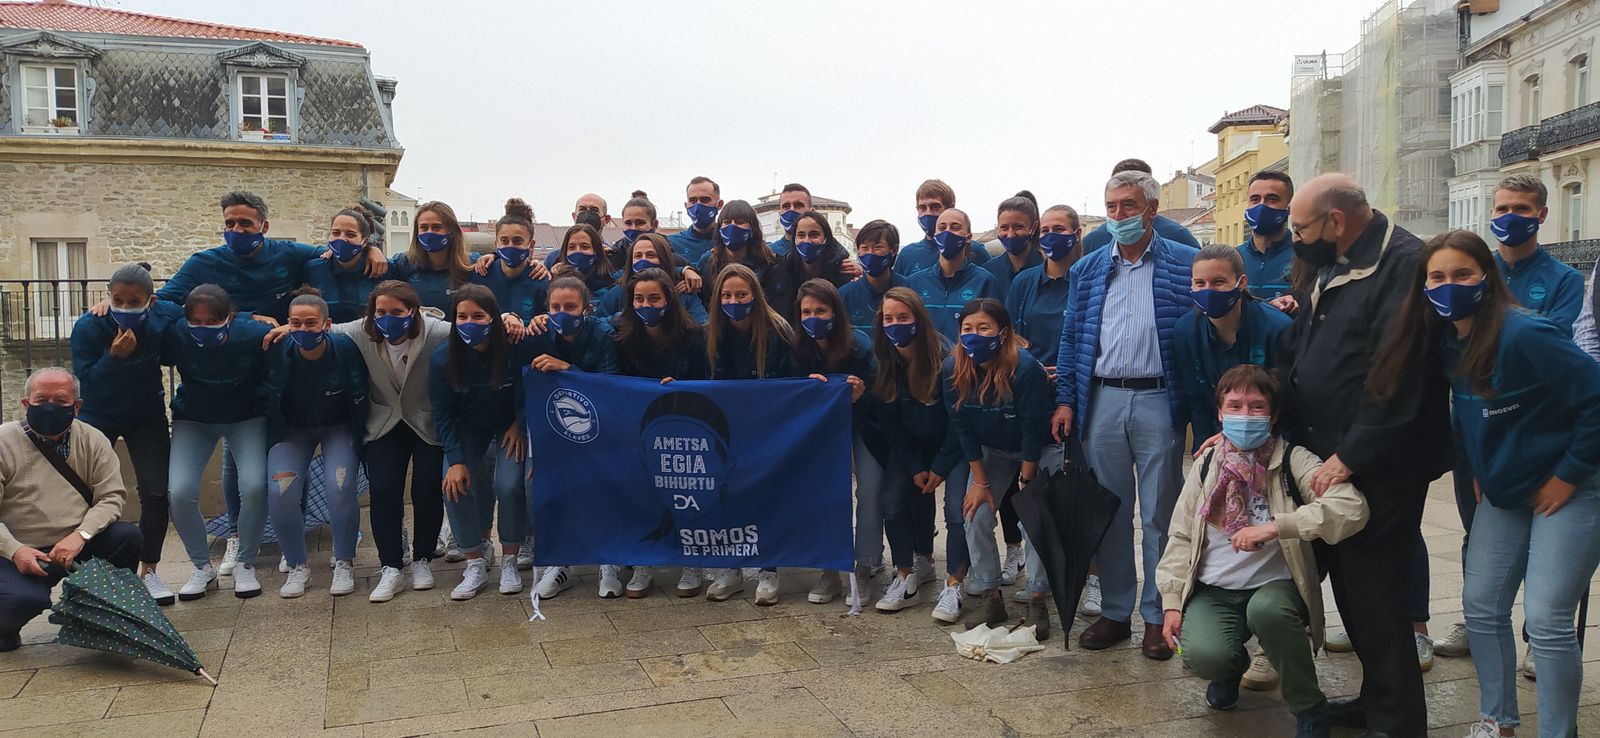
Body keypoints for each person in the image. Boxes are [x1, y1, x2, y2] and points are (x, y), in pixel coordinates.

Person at [1367, 229, 1600, 738]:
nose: (1450, 285)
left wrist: (1567, 476)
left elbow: (1595, 401)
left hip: (1571, 488)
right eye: (1438, 277)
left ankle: (1560, 732)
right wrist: (1474, 469)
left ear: (1487, 278)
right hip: (1503, 493)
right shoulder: (1448, 342)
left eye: (1462, 274)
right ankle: (1498, 720)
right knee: (1481, 606)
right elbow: (1464, 418)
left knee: (1547, 620)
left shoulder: (1527, 334)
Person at [1277, 173, 1451, 738]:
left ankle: (1397, 722)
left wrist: (1350, 455)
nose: (1293, 237)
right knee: (1353, 590)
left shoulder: (1402, 263)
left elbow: (1397, 373)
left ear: (1336, 221)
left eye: (1300, 227)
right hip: (1329, 452)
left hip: (1378, 461)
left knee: (1378, 596)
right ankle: (1376, 699)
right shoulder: (1336, 258)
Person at [1156, 365, 1369, 738]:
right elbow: (1180, 534)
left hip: (1277, 587)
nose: (1244, 415)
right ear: (1220, 413)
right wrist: (1172, 600)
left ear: (1273, 416)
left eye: (1256, 407)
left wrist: (1277, 526)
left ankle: (1309, 706)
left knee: (1268, 611)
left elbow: (1352, 508)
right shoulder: (1207, 462)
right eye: (1235, 405)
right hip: (1216, 589)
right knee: (1202, 655)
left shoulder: (1293, 460)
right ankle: (1229, 668)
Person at [1433, 174, 1587, 667]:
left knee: (1548, 550)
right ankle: (1480, 616)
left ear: (1541, 215)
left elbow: (1547, 348)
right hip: (1478, 428)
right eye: (1501, 208)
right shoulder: (1473, 271)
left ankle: (1534, 636)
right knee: (1477, 530)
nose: (1508, 218)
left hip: (1535, 426)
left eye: (1520, 209)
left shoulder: (1562, 279)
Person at [1051, 169, 1197, 659]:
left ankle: (1157, 618)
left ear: (1151, 210)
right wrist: (1067, 399)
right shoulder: (1088, 269)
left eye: (1128, 207)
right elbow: (1071, 339)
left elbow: (1200, 330)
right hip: (1103, 400)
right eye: (1112, 207)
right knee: (1109, 513)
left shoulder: (1184, 263)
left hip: (1159, 398)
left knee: (1160, 513)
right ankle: (1116, 612)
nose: (1118, 216)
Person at [0, 368, 142, 652]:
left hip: (75, 542)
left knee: (127, 537)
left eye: (61, 401)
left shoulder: (93, 440)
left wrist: (81, 535)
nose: (50, 407)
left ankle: (103, 619)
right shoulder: (4, 442)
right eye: (40, 400)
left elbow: (111, 497)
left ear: (76, 406)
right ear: (25, 404)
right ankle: (4, 628)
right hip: (19, 549)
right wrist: (15, 550)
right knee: (20, 600)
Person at [330, 281, 451, 602]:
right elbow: (323, 328)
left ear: (413, 311)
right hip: (384, 421)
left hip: (424, 421)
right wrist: (278, 326)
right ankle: (391, 566)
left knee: (426, 489)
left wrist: (508, 319)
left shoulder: (437, 332)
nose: (388, 318)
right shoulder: (359, 331)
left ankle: (423, 557)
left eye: (397, 312)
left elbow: (475, 325)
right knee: (384, 489)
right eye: (380, 311)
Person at [70, 263, 183, 605]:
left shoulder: (164, 315)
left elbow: (190, 309)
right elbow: (85, 382)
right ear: (107, 298)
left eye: (134, 301)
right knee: (83, 491)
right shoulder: (90, 326)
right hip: (97, 414)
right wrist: (114, 357)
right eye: (117, 299)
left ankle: (149, 571)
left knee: (155, 492)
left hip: (145, 415)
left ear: (150, 301)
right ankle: (91, 570)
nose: (125, 306)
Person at [943, 299, 1052, 633]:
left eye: (984, 328)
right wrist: (980, 482)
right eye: (967, 329)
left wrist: (1027, 480)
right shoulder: (952, 369)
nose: (974, 335)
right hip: (993, 450)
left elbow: (1034, 429)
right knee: (975, 514)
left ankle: (1037, 598)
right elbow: (961, 427)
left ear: (1003, 333)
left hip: (1039, 450)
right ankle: (991, 596)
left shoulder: (1026, 368)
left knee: (1034, 520)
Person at [163, 284, 272, 600]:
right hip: (194, 419)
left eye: (212, 321)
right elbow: (154, 314)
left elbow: (281, 338)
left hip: (246, 417)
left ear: (230, 318)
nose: (202, 328)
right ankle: (201, 567)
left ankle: (245, 564)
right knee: (180, 492)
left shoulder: (250, 334)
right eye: (195, 321)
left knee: (254, 486)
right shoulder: (176, 334)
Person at [261, 289, 369, 598]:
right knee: (280, 492)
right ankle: (298, 566)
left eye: (311, 323)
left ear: (327, 324)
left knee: (340, 486)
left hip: (339, 426)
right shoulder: (277, 350)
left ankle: (345, 560)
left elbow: (361, 394)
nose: (303, 330)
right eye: (296, 323)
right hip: (293, 431)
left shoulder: (345, 348)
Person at [612, 267, 713, 598]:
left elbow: (707, 385)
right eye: (639, 298)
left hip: (683, 428)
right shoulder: (620, 334)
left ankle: (691, 560)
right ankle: (644, 561)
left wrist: (682, 389)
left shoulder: (694, 336)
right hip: (637, 429)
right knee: (641, 492)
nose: (646, 305)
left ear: (669, 299)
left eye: (654, 298)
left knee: (685, 491)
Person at [521, 276, 620, 600]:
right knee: (547, 489)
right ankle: (562, 560)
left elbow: (610, 386)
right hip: (554, 430)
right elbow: (525, 385)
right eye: (555, 307)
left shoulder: (604, 335)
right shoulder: (538, 335)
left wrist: (568, 368)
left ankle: (609, 562)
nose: (562, 313)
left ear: (586, 309)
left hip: (602, 428)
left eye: (570, 307)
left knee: (602, 489)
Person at [429, 285, 528, 601]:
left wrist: (519, 423)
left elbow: (528, 390)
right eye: (462, 316)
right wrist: (456, 459)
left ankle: (510, 557)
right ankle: (474, 559)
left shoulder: (512, 347)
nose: (469, 322)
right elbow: (442, 413)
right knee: (453, 485)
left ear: (494, 317)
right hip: (467, 429)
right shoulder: (443, 357)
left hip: (507, 425)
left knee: (510, 485)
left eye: (478, 315)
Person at [704, 263, 795, 604]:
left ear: (755, 296)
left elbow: (794, 382)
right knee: (727, 496)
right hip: (726, 429)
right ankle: (731, 568)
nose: (734, 300)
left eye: (741, 294)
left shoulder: (779, 331)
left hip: (769, 428)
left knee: (765, 497)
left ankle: (768, 571)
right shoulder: (710, 333)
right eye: (726, 295)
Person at [868, 288, 958, 613]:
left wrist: (940, 466)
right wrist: (914, 464)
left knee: (944, 503)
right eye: (888, 319)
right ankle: (905, 574)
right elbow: (889, 423)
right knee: (892, 500)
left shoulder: (945, 358)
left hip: (949, 444)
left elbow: (957, 420)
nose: (895, 325)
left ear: (918, 319)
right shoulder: (881, 360)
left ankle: (937, 568)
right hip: (908, 445)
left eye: (903, 318)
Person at [789, 279, 875, 605]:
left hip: (863, 431)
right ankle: (829, 569)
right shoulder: (797, 347)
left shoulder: (860, 346)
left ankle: (865, 565)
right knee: (825, 495)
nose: (813, 317)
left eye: (820, 310)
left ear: (835, 312)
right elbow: (786, 392)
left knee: (869, 492)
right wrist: (805, 388)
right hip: (822, 435)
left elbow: (883, 396)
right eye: (806, 311)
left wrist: (860, 394)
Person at [1174, 245, 1292, 449]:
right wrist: (1205, 450)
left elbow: (1289, 401)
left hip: (1273, 439)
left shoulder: (1278, 328)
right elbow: (1197, 401)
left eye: (1218, 282)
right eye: (1199, 283)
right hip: (1215, 439)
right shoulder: (1185, 331)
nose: (1208, 291)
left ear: (1242, 282)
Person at [905, 208, 1001, 340]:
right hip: (926, 360)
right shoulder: (915, 282)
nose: (947, 232)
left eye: (955, 227)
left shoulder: (985, 280)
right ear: (935, 235)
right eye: (942, 228)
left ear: (968, 238)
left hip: (967, 359)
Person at [1081, 159, 1203, 251]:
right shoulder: (1092, 242)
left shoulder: (1178, 237)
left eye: (1129, 204)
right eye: (1112, 205)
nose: (1119, 215)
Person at [597, 233, 709, 325]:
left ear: (664, 259)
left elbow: (702, 326)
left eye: (651, 255)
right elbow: (600, 326)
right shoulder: (617, 293)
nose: (643, 260)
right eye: (638, 256)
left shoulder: (683, 291)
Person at [766, 212, 854, 326]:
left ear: (826, 238)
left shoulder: (844, 273)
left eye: (814, 235)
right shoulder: (778, 274)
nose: (807, 241)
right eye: (801, 235)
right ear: (794, 240)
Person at [471, 199, 551, 324]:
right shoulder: (480, 273)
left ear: (531, 244)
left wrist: (522, 323)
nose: (510, 246)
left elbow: (546, 323)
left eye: (517, 241)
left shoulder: (540, 281)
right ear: (496, 243)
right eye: (504, 240)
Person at [308, 205, 388, 323]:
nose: (341, 239)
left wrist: (373, 249)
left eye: (350, 235)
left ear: (365, 241)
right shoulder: (313, 269)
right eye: (335, 233)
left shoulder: (382, 268)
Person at [393, 200, 477, 312]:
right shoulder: (404, 263)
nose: (429, 233)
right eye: (424, 227)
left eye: (436, 227)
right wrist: (372, 250)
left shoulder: (472, 264)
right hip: (419, 329)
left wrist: (493, 255)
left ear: (451, 231)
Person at [894, 179, 990, 277]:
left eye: (935, 207)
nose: (928, 214)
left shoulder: (975, 250)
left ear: (950, 208)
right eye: (922, 208)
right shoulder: (907, 255)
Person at [615, 192, 703, 296]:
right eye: (628, 223)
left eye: (640, 223)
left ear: (654, 225)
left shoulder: (670, 250)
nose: (633, 228)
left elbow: (675, 267)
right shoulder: (617, 251)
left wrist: (685, 272)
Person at [696, 200, 779, 300]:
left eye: (739, 222)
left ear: (752, 228)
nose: (732, 226)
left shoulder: (767, 260)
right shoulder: (707, 262)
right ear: (719, 228)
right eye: (727, 222)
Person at [1236, 172, 1297, 301]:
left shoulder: (1305, 256)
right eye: (1255, 199)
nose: (1262, 206)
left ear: (1289, 208)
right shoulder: (1233, 259)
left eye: (1272, 199)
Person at [840, 220, 909, 329]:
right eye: (864, 248)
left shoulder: (908, 289)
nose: (870, 253)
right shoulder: (846, 295)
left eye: (878, 247)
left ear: (894, 250)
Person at [985, 192, 1045, 301]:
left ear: (1034, 227)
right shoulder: (989, 272)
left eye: (1018, 227)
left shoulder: (1046, 268)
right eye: (1004, 228)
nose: (1011, 234)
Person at [554, 223, 619, 316]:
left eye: (584, 247)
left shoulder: (612, 283)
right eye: (572, 247)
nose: (577, 251)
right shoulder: (554, 281)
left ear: (596, 251)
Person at [668, 176, 724, 267]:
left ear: (719, 204)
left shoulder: (727, 241)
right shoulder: (672, 243)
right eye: (692, 200)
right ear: (686, 206)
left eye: (705, 200)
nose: (698, 205)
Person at [769, 182, 811, 257]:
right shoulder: (768, 254)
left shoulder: (827, 253)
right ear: (780, 214)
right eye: (786, 206)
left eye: (798, 205)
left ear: (812, 212)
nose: (791, 210)